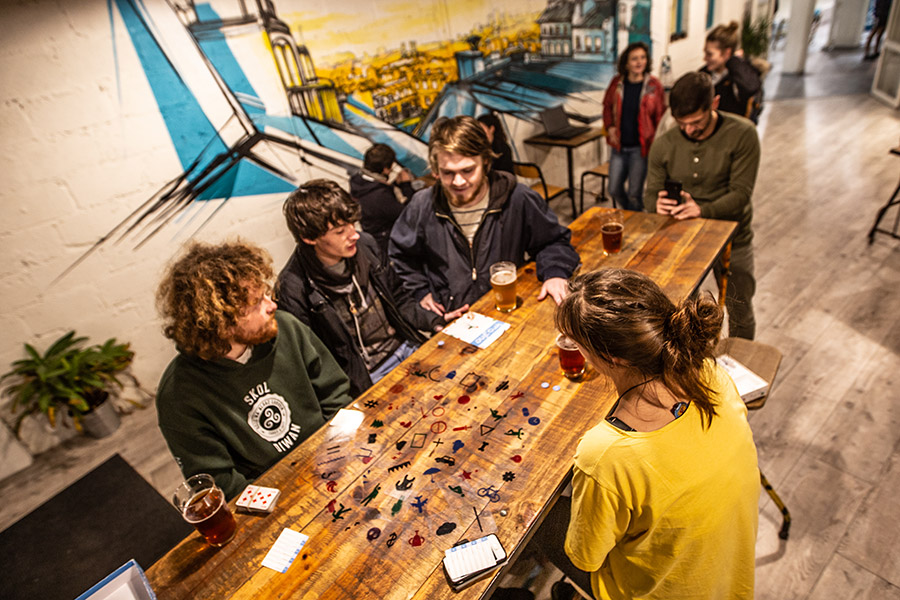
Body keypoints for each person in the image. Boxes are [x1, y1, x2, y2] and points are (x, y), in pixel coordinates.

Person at [537, 268, 760, 599]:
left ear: (612, 356)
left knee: (541, 517)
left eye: (578, 343)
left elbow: (586, 556)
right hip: (730, 576)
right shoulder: (711, 375)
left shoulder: (605, 454)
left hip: (657, 592)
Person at [155, 240, 352, 499]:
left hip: (334, 458)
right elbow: (220, 483)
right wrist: (289, 497)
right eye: (257, 302)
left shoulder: (286, 328)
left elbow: (335, 394)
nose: (272, 305)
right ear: (222, 323)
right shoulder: (179, 394)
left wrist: (336, 454)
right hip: (277, 497)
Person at [389, 115, 580, 318]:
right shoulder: (422, 205)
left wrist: (555, 273)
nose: (459, 181)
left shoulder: (517, 197)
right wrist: (420, 291)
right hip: (455, 318)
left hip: (508, 310)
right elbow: (400, 256)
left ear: (486, 161)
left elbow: (553, 241)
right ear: (436, 169)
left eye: (468, 170)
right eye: (448, 173)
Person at [277, 179, 446, 398]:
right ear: (309, 238)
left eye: (352, 225)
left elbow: (399, 299)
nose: (354, 235)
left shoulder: (366, 245)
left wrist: (434, 321)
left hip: (406, 348)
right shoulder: (293, 288)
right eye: (340, 231)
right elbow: (311, 362)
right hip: (365, 379)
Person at [643, 72, 760, 339]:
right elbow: (650, 195)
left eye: (696, 121)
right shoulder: (665, 144)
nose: (688, 130)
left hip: (733, 236)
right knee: (680, 309)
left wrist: (702, 210)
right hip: (682, 236)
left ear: (715, 103)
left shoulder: (743, 134)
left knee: (738, 307)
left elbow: (741, 194)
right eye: (681, 123)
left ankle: (738, 368)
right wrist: (656, 204)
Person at [602, 42, 667, 212]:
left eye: (643, 58)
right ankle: (634, 213)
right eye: (634, 59)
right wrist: (609, 127)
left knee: (634, 193)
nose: (639, 62)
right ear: (626, 63)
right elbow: (607, 107)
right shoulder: (617, 83)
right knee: (614, 189)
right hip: (619, 146)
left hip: (641, 148)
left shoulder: (654, 86)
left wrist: (658, 145)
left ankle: (634, 221)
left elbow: (661, 117)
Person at [349, 143, 415, 256]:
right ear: (385, 169)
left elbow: (381, 206)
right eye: (391, 168)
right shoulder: (379, 196)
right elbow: (408, 215)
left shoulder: (358, 181)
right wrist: (406, 185)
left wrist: (395, 184)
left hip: (373, 235)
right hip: (388, 245)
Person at [701, 21, 763, 123]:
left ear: (727, 53)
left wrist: (733, 59)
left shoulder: (741, 75)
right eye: (705, 52)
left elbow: (751, 88)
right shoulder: (704, 74)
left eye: (710, 54)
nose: (705, 58)